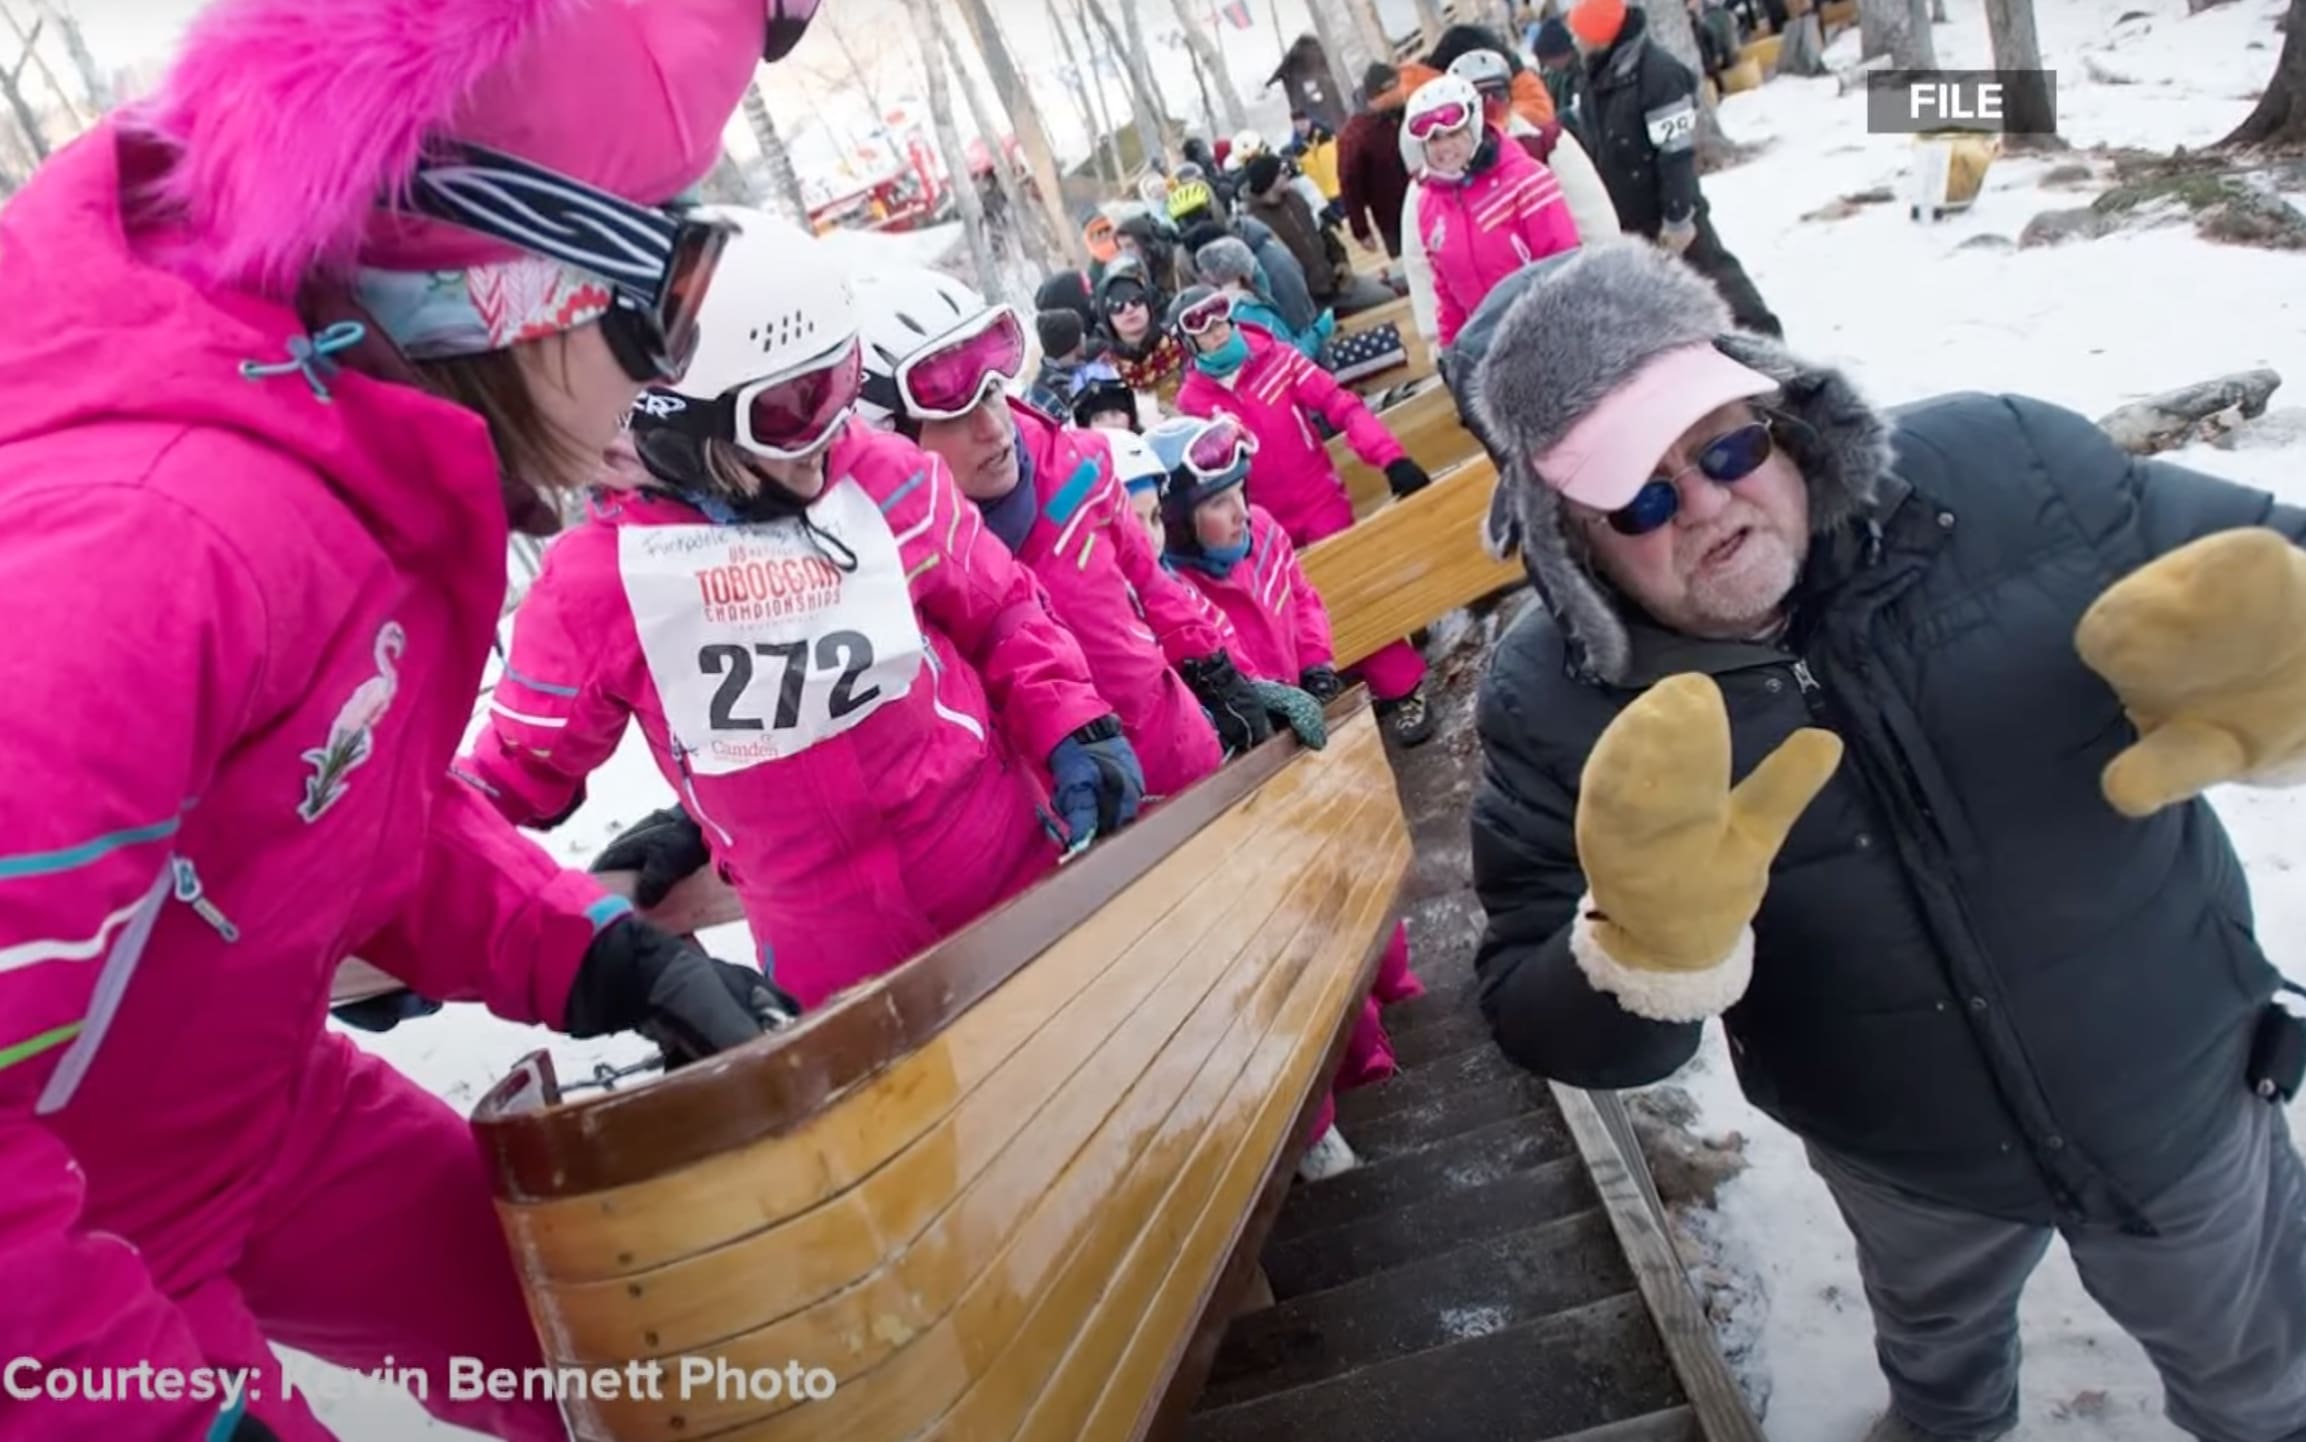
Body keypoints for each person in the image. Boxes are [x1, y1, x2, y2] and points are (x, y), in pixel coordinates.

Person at [0, 1, 812, 1438]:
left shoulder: (331, 445)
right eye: (660, 294)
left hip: (242, 1102)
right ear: (512, 287)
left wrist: (591, 949)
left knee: (633, 1356)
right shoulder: (156, 541)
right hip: (64, 1230)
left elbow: (315, 778)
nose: (669, 370)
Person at [1465, 240, 2306, 1442]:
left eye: (1721, 446)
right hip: (1897, 1154)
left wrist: (2286, 655)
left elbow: (2266, 573)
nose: (1704, 503)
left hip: (2176, 1095)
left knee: (2263, 1386)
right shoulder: (1549, 705)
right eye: (1639, 498)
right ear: (1567, 541)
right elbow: (1525, 999)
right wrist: (1633, 950)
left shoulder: (2015, 469)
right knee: (1937, 1363)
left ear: (1779, 412)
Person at [469, 212, 1144, 1012]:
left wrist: (1069, 718)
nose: (833, 430)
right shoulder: (601, 585)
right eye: (796, 406)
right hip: (834, 963)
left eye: (843, 381)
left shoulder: (881, 478)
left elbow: (1000, 611)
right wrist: (390, 892)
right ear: (674, 427)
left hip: (1002, 867)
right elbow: (513, 773)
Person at [851, 266, 1318, 796]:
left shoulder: (1075, 465)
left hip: (1189, 757)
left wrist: (1221, 669)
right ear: (894, 443)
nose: (993, 427)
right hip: (1089, 819)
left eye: (993, 392)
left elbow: (1151, 584)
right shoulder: (906, 573)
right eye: (955, 416)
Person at [1145, 414, 1426, 1179]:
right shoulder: (1176, 588)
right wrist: (1262, 703)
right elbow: (1210, 660)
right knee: (1314, 920)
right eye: (1217, 501)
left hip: (1313, 718)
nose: (1240, 509)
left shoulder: (1263, 531)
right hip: (1260, 762)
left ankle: (1400, 991)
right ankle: (1353, 1069)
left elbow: (1301, 597)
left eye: (1240, 490)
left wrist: (1319, 666)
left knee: (1365, 864)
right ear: (1176, 519)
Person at [1169, 287, 1439, 746]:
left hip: (1318, 499)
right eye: (1202, 329)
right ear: (1188, 343)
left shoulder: (1276, 358)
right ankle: (1335, 690)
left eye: (1220, 321)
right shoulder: (1193, 401)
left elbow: (1340, 404)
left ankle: (1404, 687)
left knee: (1350, 585)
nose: (1216, 334)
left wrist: (1389, 457)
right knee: (1294, 611)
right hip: (1257, 523)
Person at [1566, 0, 1783, 336]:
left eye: (1581, 35)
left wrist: (1679, 218)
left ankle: (1769, 346)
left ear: (1601, 35)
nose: (1576, 43)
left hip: (1671, 211)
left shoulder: (1659, 74)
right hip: (1630, 219)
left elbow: (1676, 153)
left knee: (1719, 284)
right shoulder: (1594, 76)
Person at [1403, 73, 1583, 351]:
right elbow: (1446, 290)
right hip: (1488, 349)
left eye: (1453, 133)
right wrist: (1452, 351)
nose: (1445, 147)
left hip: (1547, 336)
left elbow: (1564, 262)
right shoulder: (1429, 204)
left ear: (1474, 128)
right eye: (1435, 140)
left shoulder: (1525, 179)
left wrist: (1562, 337)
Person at [1449, 47, 1621, 244]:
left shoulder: (1545, 142)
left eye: (1498, 94)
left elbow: (1594, 216)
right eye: (1477, 100)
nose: (1491, 106)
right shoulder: (1444, 167)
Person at [1195, 234, 1333, 362]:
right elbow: (1289, 360)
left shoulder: (1229, 311)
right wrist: (1318, 332)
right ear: (1243, 270)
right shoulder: (1252, 314)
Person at [1337, 63, 1417, 260]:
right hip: (1394, 218)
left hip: (1435, 201)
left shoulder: (1412, 109)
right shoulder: (1355, 135)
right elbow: (1350, 183)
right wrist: (1361, 229)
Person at [1096, 266, 1190, 410]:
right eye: (1116, 306)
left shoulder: (1182, 345)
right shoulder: (1105, 372)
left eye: (1136, 300)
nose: (1129, 309)